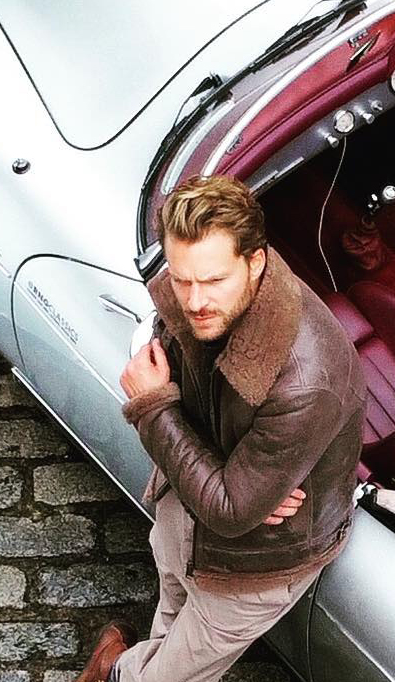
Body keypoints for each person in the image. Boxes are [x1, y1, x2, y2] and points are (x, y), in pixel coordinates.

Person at [75, 175, 365, 682]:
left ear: (256, 263)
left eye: (212, 281)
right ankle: (122, 665)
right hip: (184, 509)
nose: (193, 301)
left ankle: (117, 671)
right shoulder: (203, 299)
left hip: (251, 565)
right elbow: (231, 493)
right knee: (171, 613)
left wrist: (151, 407)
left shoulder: (305, 382)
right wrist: (242, 485)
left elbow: (231, 511)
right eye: (182, 279)